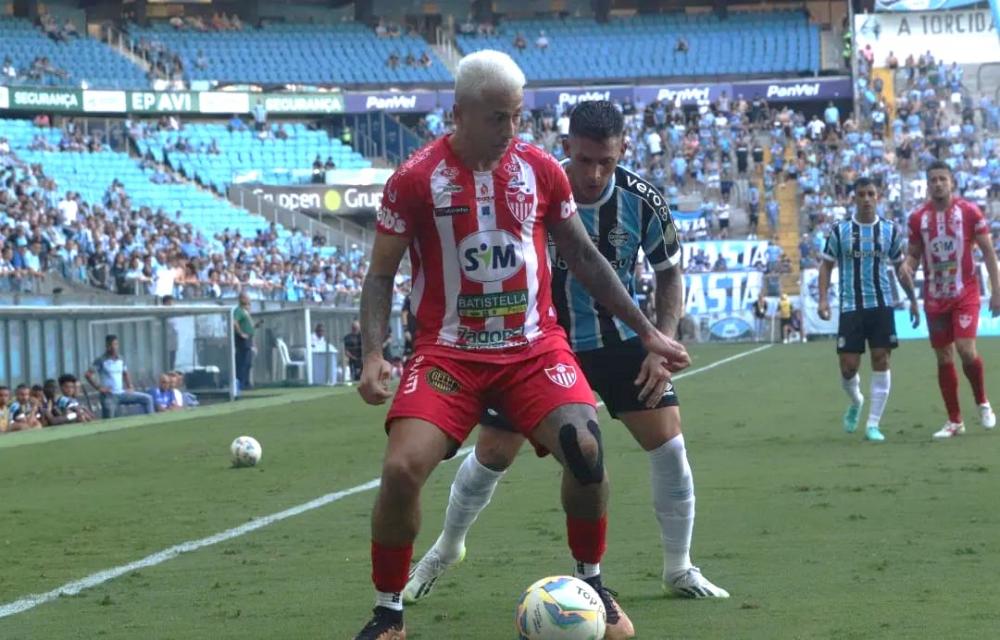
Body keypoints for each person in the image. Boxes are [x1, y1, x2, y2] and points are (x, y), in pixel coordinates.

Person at [351, 52, 689, 640]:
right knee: (401, 469)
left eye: (516, 115)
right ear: (459, 113)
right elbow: (380, 275)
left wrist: (648, 330)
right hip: (448, 355)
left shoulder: (539, 170)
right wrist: (374, 353)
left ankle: (594, 586)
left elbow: (585, 257)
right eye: (498, 118)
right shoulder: (414, 179)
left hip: (534, 351)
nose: (511, 129)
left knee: (586, 450)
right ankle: (388, 615)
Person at [403, 99, 728, 612]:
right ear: (567, 147)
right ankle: (446, 549)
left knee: (669, 443)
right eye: (584, 160)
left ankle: (679, 567)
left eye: (607, 162)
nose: (595, 174)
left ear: (623, 149)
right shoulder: (530, 185)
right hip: (535, 346)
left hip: (619, 342)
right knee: (493, 453)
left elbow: (669, 273)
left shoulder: (643, 200)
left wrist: (661, 344)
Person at [900, 161, 1000, 439]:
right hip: (934, 297)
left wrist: (997, 291)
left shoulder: (969, 212)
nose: (938, 184)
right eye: (933, 180)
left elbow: (988, 252)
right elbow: (914, 254)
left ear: (952, 182)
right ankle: (955, 420)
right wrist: (907, 266)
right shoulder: (918, 218)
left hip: (964, 293)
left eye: (942, 179)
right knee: (944, 356)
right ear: (927, 184)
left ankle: (982, 401)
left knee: (966, 349)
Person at [818, 178, 918, 441]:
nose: (866, 199)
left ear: (878, 197)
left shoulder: (889, 230)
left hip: (881, 305)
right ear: (854, 198)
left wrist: (913, 300)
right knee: (848, 367)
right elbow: (826, 265)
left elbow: (900, 267)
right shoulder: (840, 230)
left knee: (881, 359)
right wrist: (823, 300)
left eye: (871, 194)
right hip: (850, 306)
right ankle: (856, 400)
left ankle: (873, 424)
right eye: (861, 194)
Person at [86, 335, 155, 419]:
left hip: (122, 393)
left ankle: (152, 420)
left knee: (148, 399)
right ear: (107, 346)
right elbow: (88, 374)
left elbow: (125, 373)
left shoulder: (121, 358)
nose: (115, 347)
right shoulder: (101, 360)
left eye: (116, 344)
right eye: (112, 345)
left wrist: (130, 386)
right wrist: (99, 388)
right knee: (108, 418)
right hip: (109, 395)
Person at [232, 292, 259, 393]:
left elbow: (248, 325)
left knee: (248, 362)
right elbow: (235, 322)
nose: (249, 300)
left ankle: (247, 382)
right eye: (247, 298)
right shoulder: (238, 310)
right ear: (241, 299)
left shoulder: (246, 311)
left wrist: (255, 326)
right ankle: (241, 383)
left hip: (249, 338)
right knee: (242, 362)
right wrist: (241, 333)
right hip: (242, 340)